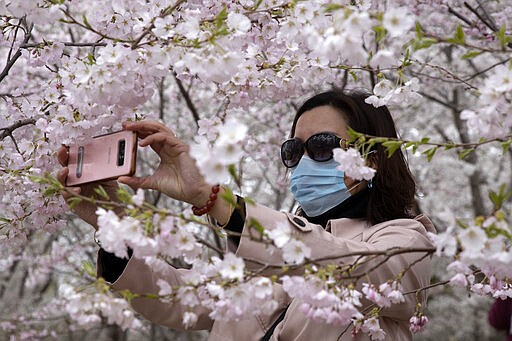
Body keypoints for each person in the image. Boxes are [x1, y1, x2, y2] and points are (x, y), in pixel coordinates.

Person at [56, 90, 435, 340]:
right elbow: (176, 296)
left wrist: (213, 198)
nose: (303, 161)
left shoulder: (405, 244)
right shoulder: (262, 259)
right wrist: (113, 223)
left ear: (372, 157)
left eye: (322, 146)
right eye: (294, 151)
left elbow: (343, 266)